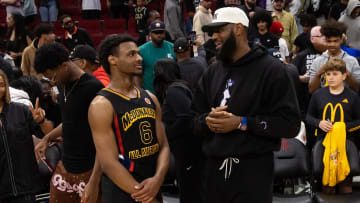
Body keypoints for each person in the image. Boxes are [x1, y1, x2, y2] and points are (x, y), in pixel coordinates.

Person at [198, 7, 301, 202]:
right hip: (214, 168)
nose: (214, 36)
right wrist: (207, 121)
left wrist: (241, 122)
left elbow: (290, 124)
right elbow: (193, 118)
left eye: (220, 30)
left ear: (238, 29)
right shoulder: (212, 71)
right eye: (212, 32)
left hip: (253, 170)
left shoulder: (272, 70)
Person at [90, 34, 170, 203]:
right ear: (113, 60)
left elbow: (163, 146)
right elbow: (109, 163)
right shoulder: (101, 104)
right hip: (122, 190)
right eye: (131, 54)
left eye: (138, 53)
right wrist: (145, 197)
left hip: (151, 184)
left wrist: (157, 180)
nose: (139, 58)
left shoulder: (150, 97)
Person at [33, 42, 103, 203]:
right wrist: (46, 138)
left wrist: (94, 181)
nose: (51, 82)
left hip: (90, 169)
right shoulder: (63, 85)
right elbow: (70, 121)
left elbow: (104, 138)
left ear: (64, 66)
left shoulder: (92, 88)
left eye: (52, 76)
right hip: (66, 166)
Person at [306, 58, 360, 194]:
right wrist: (319, 123)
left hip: (346, 145)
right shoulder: (318, 95)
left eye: (335, 74)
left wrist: (340, 127)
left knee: (345, 184)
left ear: (344, 75)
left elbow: (359, 121)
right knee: (327, 184)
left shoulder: (352, 97)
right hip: (323, 144)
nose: (331, 77)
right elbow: (308, 117)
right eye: (328, 74)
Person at [153, 58, 203, 203]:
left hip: (189, 150)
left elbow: (187, 117)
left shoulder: (174, 90)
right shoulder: (177, 88)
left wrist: (166, 134)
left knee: (190, 192)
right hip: (186, 150)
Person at [0, 69, 51, 203]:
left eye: (1, 85)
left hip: (26, 188)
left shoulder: (21, 110)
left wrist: (41, 121)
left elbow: (47, 134)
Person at [308, 21, 360, 94]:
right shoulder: (318, 61)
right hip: (324, 101)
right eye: (329, 41)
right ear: (325, 40)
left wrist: (346, 73)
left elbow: (357, 89)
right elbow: (311, 90)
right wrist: (319, 73)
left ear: (341, 39)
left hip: (346, 102)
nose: (332, 44)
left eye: (335, 41)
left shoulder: (351, 61)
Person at [292, 26, 327, 118]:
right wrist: (300, 78)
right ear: (312, 39)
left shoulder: (332, 54)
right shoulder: (302, 56)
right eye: (321, 36)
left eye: (326, 35)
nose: (325, 38)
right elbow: (288, 76)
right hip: (307, 102)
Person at [139, 20, 175, 93]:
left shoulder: (172, 48)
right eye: (155, 33)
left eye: (161, 32)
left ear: (165, 33)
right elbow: (138, 74)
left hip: (169, 92)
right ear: (150, 34)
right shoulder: (141, 50)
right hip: (149, 92)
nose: (159, 35)